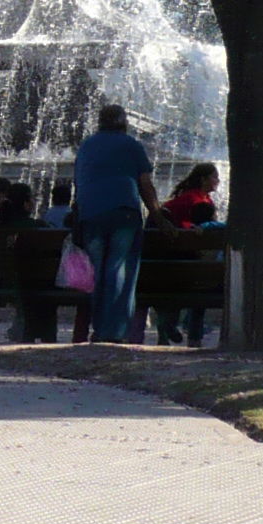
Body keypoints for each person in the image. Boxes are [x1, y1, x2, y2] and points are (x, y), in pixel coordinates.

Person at [70, 103, 158, 344]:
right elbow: (145, 185)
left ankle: (99, 329)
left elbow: (79, 185)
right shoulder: (131, 145)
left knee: (98, 271)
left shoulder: (87, 146)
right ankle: (116, 331)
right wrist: (158, 216)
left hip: (91, 215)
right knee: (120, 270)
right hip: (123, 214)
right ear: (124, 121)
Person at [158, 164, 222, 346]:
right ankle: (194, 337)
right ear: (203, 179)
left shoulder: (192, 198)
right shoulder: (196, 200)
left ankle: (172, 327)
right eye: (214, 177)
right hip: (186, 263)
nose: (217, 181)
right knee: (199, 282)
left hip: (174, 262)